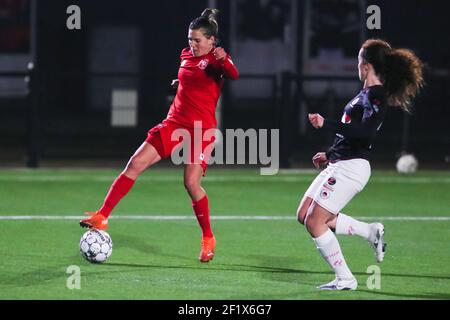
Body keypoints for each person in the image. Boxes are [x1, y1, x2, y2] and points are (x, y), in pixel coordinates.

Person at [80, 8, 239, 263]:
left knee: (190, 182)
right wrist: (181, 85)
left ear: (211, 40)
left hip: (200, 129)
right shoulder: (186, 54)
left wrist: (225, 59)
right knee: (136, 163)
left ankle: (208, 237)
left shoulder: (217, 61)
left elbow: (233, 74)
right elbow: (190, 78)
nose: (192, 44)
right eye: (190, 39)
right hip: (175, 123)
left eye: (198, 40)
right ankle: (103, 215)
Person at [297, 39, 424, 290]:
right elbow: (352, 133)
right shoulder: (366, 94)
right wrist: (330, 153)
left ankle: (345, 278)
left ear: (365, 66)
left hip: (352, 168)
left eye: (358, 62)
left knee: (315, 221)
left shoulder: (376, 95)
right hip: (341, 162)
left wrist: (327, 123)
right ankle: (370, 232)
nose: (357, 67)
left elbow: (364, 134)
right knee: (304, 214)